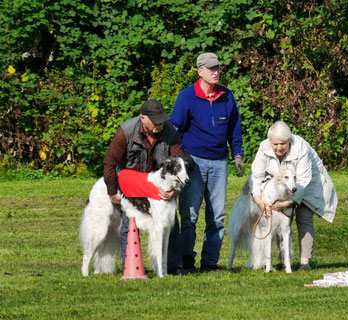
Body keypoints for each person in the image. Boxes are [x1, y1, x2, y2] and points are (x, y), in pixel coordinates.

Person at [170, 52, 245, 271]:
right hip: (193, 162)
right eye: (211, 68)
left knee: (218, 216)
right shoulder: (186, 97)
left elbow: (235, 129)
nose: (216, 72)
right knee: (190, 214)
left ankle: (210, 262)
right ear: (200, 71)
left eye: (217, 68)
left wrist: (237, 155)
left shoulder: (227, 96)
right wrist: (180, 159)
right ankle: (186, 259)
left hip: (220, 163)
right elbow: (175, 130)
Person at [103, 99, 186, 275]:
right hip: (132, 184)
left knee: (170, 221)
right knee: (130, 222)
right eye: (155, 121)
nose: (159, 125)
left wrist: (175, 190)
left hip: (158, 183)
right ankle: (131, 265)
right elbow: (110, 163)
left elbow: (179, 162)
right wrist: (112, 192)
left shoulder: (170, 131)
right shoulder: (125, 131)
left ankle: (173, 265)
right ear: (142, 118)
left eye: (162, 120)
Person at [250, 120, 338, 270]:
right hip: (281, 185)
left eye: (283, 144)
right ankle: (282, 261)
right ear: (270, 141)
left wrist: (285, 203)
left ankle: (304, 262)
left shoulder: (301, 147)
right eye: (275, 144)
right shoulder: (263, 148)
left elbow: (303, 180)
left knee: (304, 217)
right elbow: (256, 177)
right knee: (278, 220)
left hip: (306, 185)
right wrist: (260, 202)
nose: (279, 147)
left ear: (289, 140)